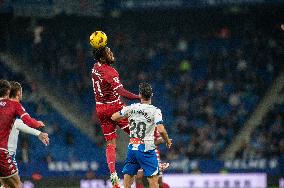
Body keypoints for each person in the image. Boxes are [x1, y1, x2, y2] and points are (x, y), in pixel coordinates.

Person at [91, 46, 140, 188]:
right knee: (138, 133)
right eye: (108, 52)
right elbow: (121, 91)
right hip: (114, 107)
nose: (111, 53)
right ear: (102, 57)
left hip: (100, 108)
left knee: (111, 144)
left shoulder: (95, 67)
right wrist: (138, 97)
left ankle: (113, 174)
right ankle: (147, 164)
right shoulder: (110, 72)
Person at [111, 83, 172, 188]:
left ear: (139, 95)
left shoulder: (131, 108)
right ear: (151, 95)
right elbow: (161, 130)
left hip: (132, 147)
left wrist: (128, 118)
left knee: (128, 182)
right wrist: (167, 140)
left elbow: (114, 117)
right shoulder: (155, 111)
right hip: (146, 148)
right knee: (153, 181)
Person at [0, 79, 45, 188]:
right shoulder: (14, 105)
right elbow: (28, 122)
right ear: (8, 91)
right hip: (2, 153)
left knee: (5, 185)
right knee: (17, 185)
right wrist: (38, 124)